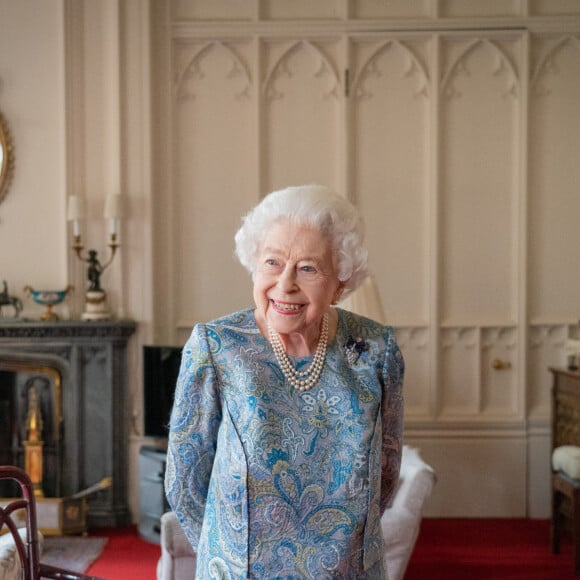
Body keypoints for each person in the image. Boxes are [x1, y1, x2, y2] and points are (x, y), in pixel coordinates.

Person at [165, 184, 404, 579]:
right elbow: (185, 482)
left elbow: (387, 472)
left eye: (308, 268)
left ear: (340, 281)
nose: (285, 284)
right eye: (272, 262)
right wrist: (226, 556)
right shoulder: (217, 347)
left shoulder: (376, 349)